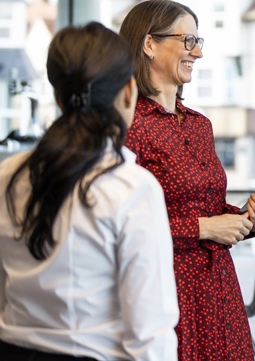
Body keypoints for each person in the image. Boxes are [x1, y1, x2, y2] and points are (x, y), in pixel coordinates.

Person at [0, 22, 178, 360]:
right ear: (129, 91)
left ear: (57, 96)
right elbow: (150, 333)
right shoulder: (131, 188)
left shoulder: (7, 175)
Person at [119, 0, 255, 361]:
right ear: (149, 44)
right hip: (166, 290)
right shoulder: (130, 125)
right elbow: (123, 228)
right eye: (188, 41)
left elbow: (209, 208)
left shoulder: (198, 124)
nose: (199, 53)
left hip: (218, 287)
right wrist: (204, 228)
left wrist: (246, 219)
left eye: (198, 41)